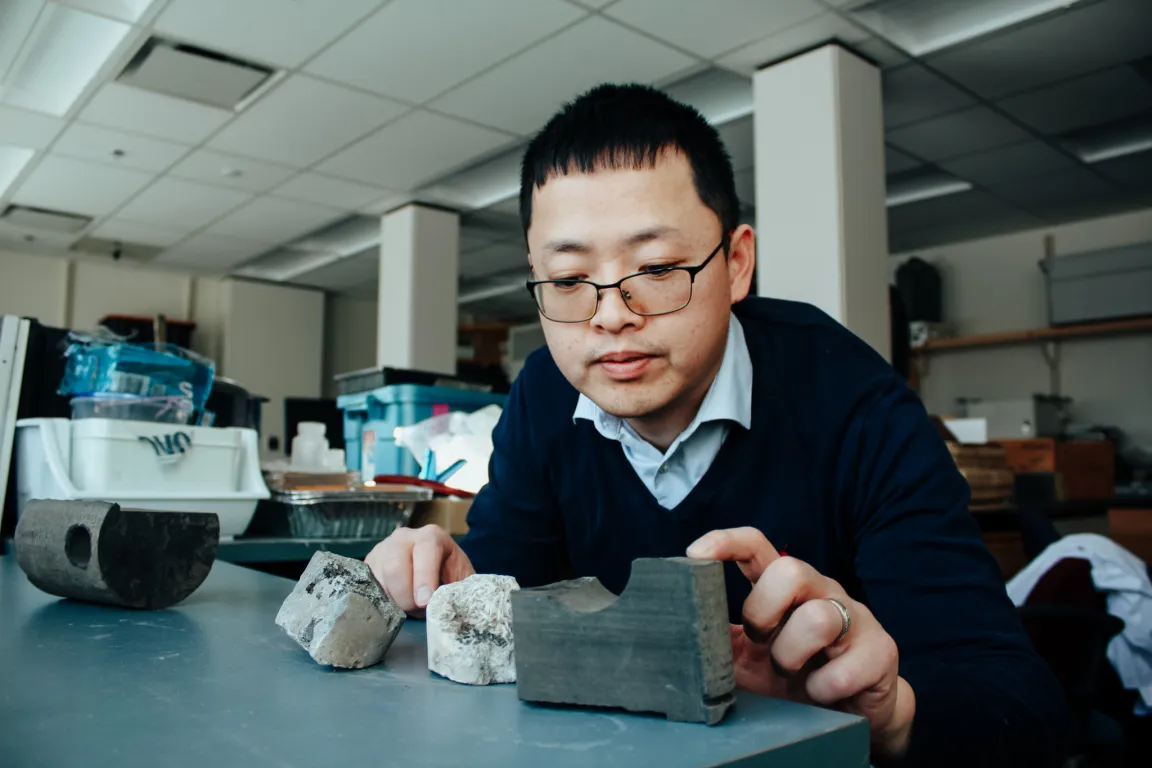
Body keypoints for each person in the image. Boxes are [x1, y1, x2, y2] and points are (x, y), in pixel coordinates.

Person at [367, 83, 1067, 766]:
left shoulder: (855, 404)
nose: (611, 315)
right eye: (570, 281)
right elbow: (508, 585)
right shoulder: (545, 394)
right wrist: (456, 584)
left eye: (659, 267)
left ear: (736, 264)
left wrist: (892, 713)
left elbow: (1018, 702)